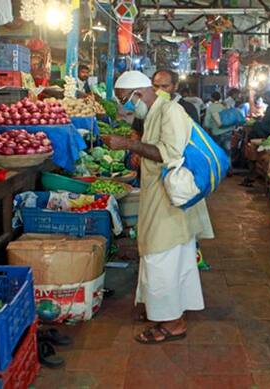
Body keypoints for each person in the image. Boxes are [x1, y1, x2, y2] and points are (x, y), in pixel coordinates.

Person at [102, 71, 214, 344]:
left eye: (125, 100)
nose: (125, 107)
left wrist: (129, 145)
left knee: (161, 258)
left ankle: (173, 323)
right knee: (169, 259)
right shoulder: (154, 111)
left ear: (137, 94)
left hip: (170, 204)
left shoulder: (171, 111)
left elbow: (170, 153)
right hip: (159, 198)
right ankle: (164, 312)